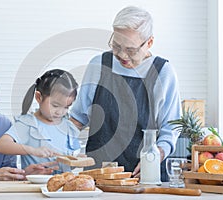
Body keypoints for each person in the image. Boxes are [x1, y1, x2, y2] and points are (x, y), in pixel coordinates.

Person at [70, 6, 181, 181]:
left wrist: (154, 157)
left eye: (130, 50)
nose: (122, 55)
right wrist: (52, 145)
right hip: (99, 176)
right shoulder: (99, 65)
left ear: (149, 43)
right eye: (116, 46)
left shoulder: (163, 72)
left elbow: (171, 128)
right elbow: (77, 119)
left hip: (146, 176)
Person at [0, 69, 81, 174]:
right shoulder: (28, 124)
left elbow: (71, 159)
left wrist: (76, 160)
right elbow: (1, 145)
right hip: (35, 185)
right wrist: (33, 150)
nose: (60, 112)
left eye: (66, 107)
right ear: (39, 97)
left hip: (64, 186)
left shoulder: (68, 127)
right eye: (55, 105)